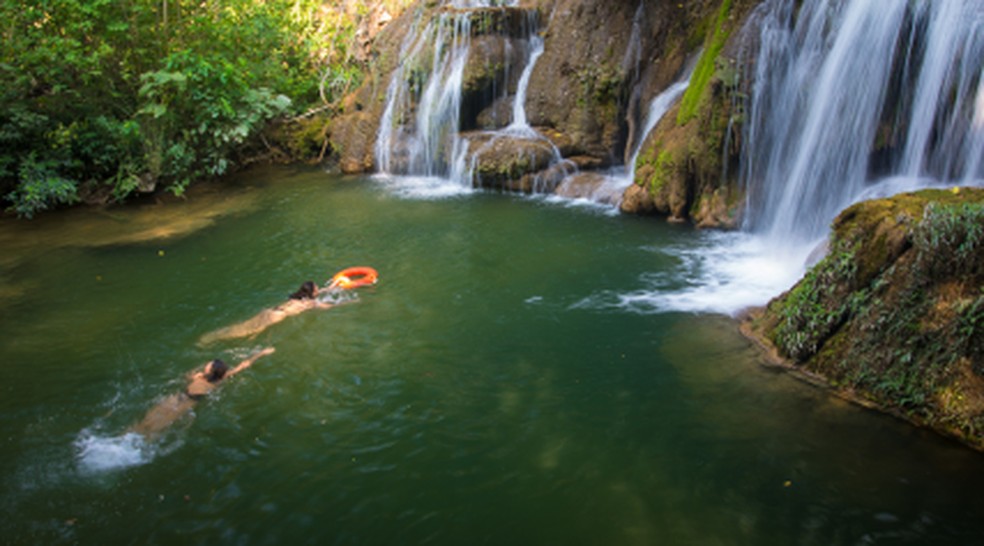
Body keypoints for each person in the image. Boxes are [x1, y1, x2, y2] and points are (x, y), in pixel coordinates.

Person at [129, 347, 275, 440]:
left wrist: (192, 375)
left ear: (210, 371)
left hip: (180, 400)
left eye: (209, 364)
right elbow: (244, 365)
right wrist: (261, 353)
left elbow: (186, 377)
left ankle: (132, 440)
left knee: (152, 425)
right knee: (151, 423)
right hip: (185, 402)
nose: (207, 364)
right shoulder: (221, 379)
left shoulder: (199, 377)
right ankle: (132, 438)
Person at [198, 281, 336, 345]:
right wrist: (350, 302)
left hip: (272, 310)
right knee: (248, 332)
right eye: (317, 288)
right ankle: (209, 340)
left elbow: (318, 293)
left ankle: (212, 336)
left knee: (243, 326)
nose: (319, 289)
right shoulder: (309, 303)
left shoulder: (297, 296)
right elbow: (326, 306)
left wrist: (330, 288)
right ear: (311, 293)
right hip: (278, 316)